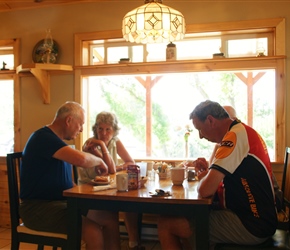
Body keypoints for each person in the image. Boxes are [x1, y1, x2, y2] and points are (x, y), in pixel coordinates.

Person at [158, 100, 277, 249]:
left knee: (166, 224)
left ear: (210, 120)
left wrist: (206, 179)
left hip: (253, 224)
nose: (200, 136)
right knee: (187, 220)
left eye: (200, 129)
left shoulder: (233, 137)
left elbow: (205, 190)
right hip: (258, 219)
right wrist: (208, 174)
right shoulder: (240, 131)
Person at [19, 101, 120, 250]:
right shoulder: (43, 138)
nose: (81, 130)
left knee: (109, 218)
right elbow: (82, 159)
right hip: (37, 209)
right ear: (68, 121)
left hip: (62, 205)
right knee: (93, 232)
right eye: (80, 125)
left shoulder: (59, 144)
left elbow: (67, 183)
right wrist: (100, 161)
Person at [79, 111, 144, 250]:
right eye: (100, 128)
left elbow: (130, 162)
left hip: (107, 188)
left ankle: (134, 243)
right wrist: (102, 147)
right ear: (95, 129)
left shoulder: (115, 141)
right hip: (89, 191)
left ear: (114, 130)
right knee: (113, 211)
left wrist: (118, 166)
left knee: (131, 203)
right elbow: (109, 170)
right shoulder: (90, 144)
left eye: (108, 129)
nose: (103, 133)